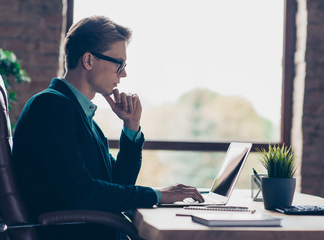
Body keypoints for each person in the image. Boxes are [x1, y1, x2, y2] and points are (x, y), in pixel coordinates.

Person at [11, 16, 204, 239]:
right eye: (119, 64)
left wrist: (131, 127)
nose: (123, 74)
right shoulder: (51, 107)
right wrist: (158, 194)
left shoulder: (82, 116)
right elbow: (82, 193)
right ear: (89, 60)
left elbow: (119, 183)